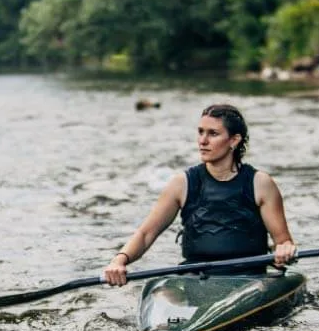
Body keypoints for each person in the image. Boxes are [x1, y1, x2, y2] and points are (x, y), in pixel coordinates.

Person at [103, 104, 297, 286]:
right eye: (200, 132)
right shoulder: (182, 183)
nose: (202, 141)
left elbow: (283, 241)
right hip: (194, 278)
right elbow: (146, 234)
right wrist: (120, 260)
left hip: (248, 278)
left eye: (213, 134)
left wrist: (284, 249)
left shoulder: (260, 183)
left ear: (234, 140)